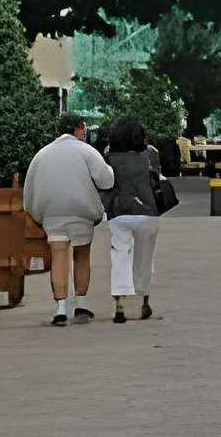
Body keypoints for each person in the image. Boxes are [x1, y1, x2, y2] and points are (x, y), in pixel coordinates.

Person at [22, 113, 114, 326]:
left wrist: (37, 213)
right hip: (81, 211)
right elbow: (107, 181)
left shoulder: (42, 154)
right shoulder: (87, 151)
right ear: (81, 128)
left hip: (51, 213)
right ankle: (81, 304)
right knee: (81, 254)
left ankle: (61, 308)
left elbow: (29, 191)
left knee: (58, 255)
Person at [101, 112, 163, 323]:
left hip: (119, 212)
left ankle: (120, 306)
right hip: (148, 212)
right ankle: (143, 302)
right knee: (144, 258)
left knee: (120, 256)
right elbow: (157, 178)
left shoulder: (109, 155)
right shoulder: (151, 154)